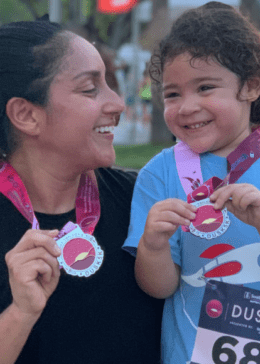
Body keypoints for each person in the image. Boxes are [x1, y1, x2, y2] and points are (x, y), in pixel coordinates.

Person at [123, 2, 260, 363]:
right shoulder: (159, 174)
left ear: (251, 86)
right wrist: (152, 245)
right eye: (172, 93)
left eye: (205, 87)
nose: (187, 106)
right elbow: (159, 286)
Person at [0, 18, 163, 364]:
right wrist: (20, 313)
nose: (118, 104)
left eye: (109, 83)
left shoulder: (146, 201)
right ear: (26, 114)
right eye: (90, 89)